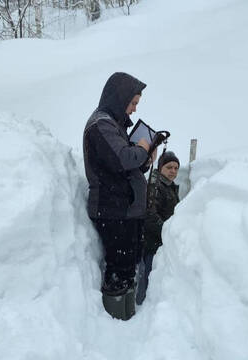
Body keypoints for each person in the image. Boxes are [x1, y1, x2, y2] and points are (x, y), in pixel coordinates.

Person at [83, 72, 155, 320]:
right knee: (119, 270)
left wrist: (145, 158)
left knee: (127, 267)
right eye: (133, 102)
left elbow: (128, 166)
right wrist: (142, 149)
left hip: (125, 210)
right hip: (113, 210)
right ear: (119, 97)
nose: (134, 110)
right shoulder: (101, 125)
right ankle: (116, 325)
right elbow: (123, 158)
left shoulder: (114, 125)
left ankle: (128, 317)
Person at [136, 151, 180, 305]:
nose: (173, 171)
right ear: (161, 167)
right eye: (169, 167)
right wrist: (168, 231)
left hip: (160, 241)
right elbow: (150, 215)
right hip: (151, 243)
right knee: (148, 278)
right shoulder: (155, 186)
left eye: (176, 168)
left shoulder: (169, 186)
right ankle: (142, 309)